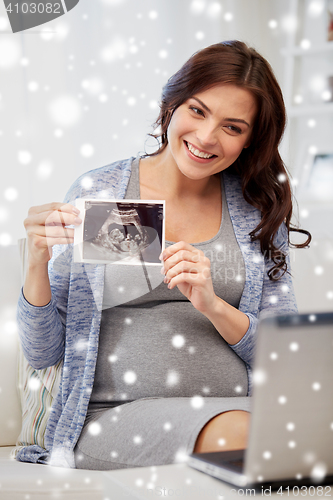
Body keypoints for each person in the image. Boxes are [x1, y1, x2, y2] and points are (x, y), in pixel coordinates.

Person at [17, 40, 310, 470]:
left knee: (291, 431)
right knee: (252, 437)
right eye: (197, 110)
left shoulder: (257, 211)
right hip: (114, 418)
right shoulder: (105, 193)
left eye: (233, 127)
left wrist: (213, 305)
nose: (206, 137)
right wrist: (36, 263)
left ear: (251, 140)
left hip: (241, 411)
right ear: (170, 105)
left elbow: (281, 358)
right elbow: (45, 353)